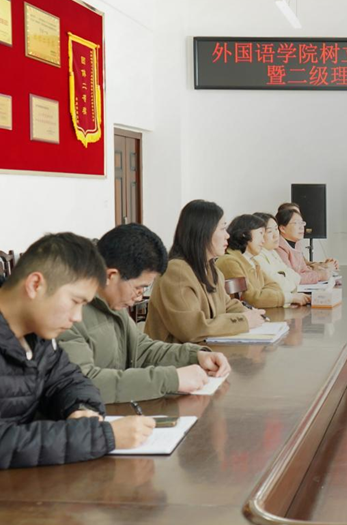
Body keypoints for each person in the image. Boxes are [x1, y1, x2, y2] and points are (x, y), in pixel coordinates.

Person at [0, 233, 154, 468]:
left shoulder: (38, 335)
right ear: (35, 285)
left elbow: (68, 380)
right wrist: (100, 436)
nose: (77, 317)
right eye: (75, 301)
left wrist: (80, 409)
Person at [58, 224, 232, 404]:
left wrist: (195, 356)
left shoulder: (112, 301)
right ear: (111, 276)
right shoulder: (67, 314)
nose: (140, 296)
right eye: (139, 287)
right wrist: (171, 379)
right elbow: (83, 384)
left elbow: (140, 349)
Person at [145, 200, 265, 343]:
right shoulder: (176, 271)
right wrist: (243, 321)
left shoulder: (211, 269)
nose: (227, 235)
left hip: (205, 349)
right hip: (178, 354)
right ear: (203, 232)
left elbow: (226, 305)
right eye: (222, 229)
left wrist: (249, 313)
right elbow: (191, 329)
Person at [215, 214, 309, 308]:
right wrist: (290, 298)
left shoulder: (252, 261)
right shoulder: (230, 262)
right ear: (244, 234)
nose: (263, 240)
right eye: (260, 233)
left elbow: (274, 286)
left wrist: (264, 295)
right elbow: (252, 298)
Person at [252, 212, 308, 302]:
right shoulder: (257, 256)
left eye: (276, 229)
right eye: (269, 231)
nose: (276, 235)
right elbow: (278, 285)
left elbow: (296, 277)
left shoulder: (272, 252)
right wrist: (286, 278)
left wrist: (285, 276)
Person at [275, 207, 332, 284]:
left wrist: (322, 270)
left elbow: (304, 270)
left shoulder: (297, 244)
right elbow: (290, 277)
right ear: (282, 228)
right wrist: (318, 275)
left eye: (302, 223)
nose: (301, 227)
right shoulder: (278, 247)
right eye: (296, 223)